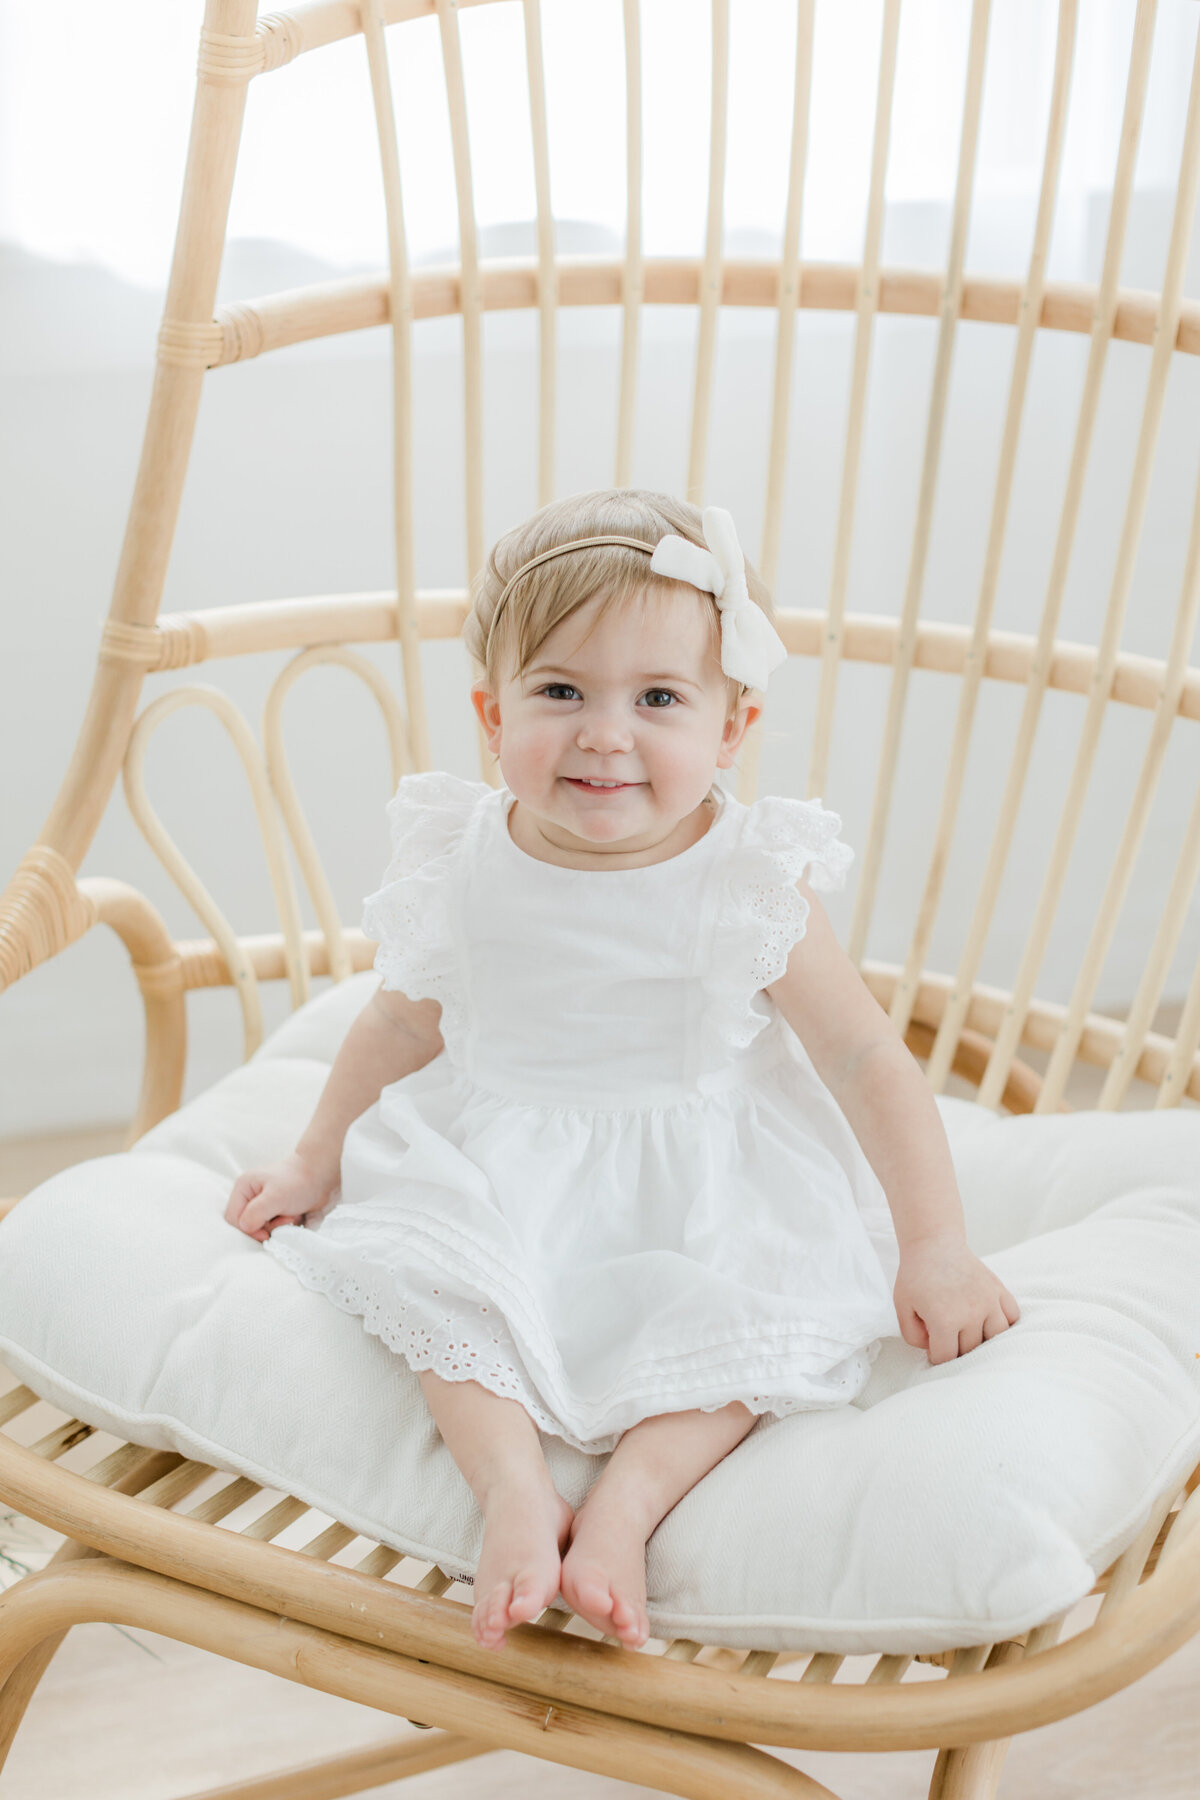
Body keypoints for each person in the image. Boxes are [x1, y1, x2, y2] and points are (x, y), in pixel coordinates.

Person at [224, 488, 1020, 1655]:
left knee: (756, 1321)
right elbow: (401, 1025)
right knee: (432, 1292)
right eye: (561, 693)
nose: (606, 734)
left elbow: (861, 1058)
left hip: (701, 1163)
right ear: (495, 716)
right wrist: (313, 1154)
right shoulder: (466, 860)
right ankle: (510, 1489)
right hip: (500, 1147)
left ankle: (627, 1509)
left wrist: (936, 1245)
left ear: (731, 729)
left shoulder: (746, 876)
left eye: (657, 699)